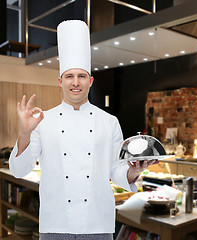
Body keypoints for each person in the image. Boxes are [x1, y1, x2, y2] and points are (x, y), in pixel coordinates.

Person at [9, 20, 156, 240]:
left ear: (90, 80)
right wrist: (25, 133)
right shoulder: (43, 120)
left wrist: (133, 173)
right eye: (69, 76)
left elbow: (115, 170)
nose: (75, 82)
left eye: (81, 76)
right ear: (60, 81)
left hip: (97, 223)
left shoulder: (109, 122)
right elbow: (19, 170)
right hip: (55, 223)